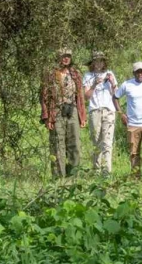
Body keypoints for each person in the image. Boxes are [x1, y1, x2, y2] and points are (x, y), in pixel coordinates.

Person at [40, 48, 87, 178]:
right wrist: (47, 117)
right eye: (63, 56)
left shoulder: (75, 74)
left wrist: (82, 116)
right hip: (56, 111)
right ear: (58, 57)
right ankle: (58, 176)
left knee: (75, 143)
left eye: (68, 56)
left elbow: (80, 97)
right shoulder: (50, 74)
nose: (66, 58)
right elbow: (44, 96)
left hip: (72, 110)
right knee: (57, 143)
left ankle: (73, 175)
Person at [83, 51, 119, 175]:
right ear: (92, 63)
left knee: (107, 141)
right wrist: (94, 85)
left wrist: (112, 83)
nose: (98, 63)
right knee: (96, 140)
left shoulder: (110, 74)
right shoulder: (88, 76)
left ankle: (106, 171)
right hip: (94, 111)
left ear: (104, 62)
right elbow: (86, 97)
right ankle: (96, 169)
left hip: (108, 110)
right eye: (96, 61)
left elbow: (116, 95)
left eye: (101, 61)